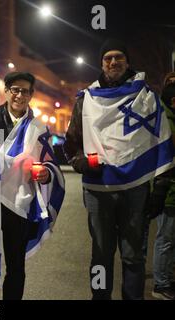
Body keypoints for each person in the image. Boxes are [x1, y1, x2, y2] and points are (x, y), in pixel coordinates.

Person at [64, 39, 175, 300]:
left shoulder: (146, 97)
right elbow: (70, 144)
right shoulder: (86, 100)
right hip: (98, 188)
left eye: (119, 57)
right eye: (108, 58)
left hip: (135, 189)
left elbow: (162, 141)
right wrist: (82, 163)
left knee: (133, 255)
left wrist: (159, 188)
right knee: (100, 254)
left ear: (127, 61)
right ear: (101, 63)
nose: (113, 62)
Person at [0, 72, 52, 300]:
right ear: (6, 92)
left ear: (31, 95)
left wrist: (45, 175)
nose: (19, 95)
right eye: (14, 89)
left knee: (16, 266)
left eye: (25, 90)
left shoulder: (38, 128)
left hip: (18, 203)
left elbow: (49, 164)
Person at [151, 81, 175, 300]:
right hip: (168, 191)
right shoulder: (164, 120)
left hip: (170, 190)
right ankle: (161, 283)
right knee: (166, 238)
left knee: (170, 238)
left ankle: (167, 278)